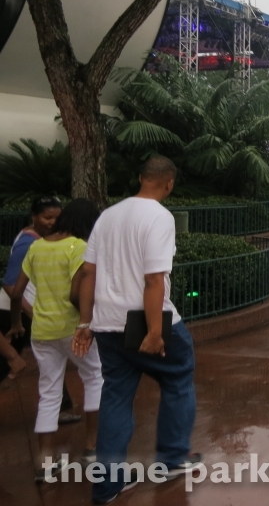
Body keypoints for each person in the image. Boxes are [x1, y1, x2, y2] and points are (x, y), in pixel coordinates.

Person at [72, 156, 201, 503]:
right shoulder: (160, 217)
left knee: (115, 397)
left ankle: (107, 485)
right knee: (178, 380)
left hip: (106, 322)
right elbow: (154, 279)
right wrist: (156, 331)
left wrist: (85, 324)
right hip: (144, 319)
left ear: (140, 178)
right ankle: (173, 458)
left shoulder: (108, 216)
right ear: (168, 183)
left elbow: (88, 274)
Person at [9, 198, 103, 481]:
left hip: (42, 332)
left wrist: (16, 323)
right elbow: (79, 293)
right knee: (95, 379)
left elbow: (15, 292)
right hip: (73, 328)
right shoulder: (79, 248)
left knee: (48, 392)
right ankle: (91, 449)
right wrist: (86, 324)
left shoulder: (36, 246)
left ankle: (45, 463)